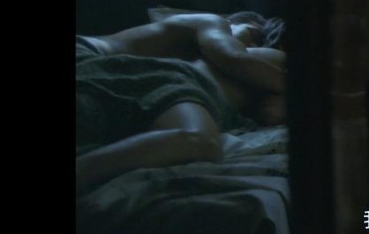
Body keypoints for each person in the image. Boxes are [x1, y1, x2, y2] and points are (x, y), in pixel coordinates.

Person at [75, 11, 287, 195]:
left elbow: (269, 112)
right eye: (252, 37)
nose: (250, 47)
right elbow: (233, 57)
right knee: (198, 139)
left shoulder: (174, 55)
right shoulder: (211, 22)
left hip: (105, 71)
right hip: (94, 60)